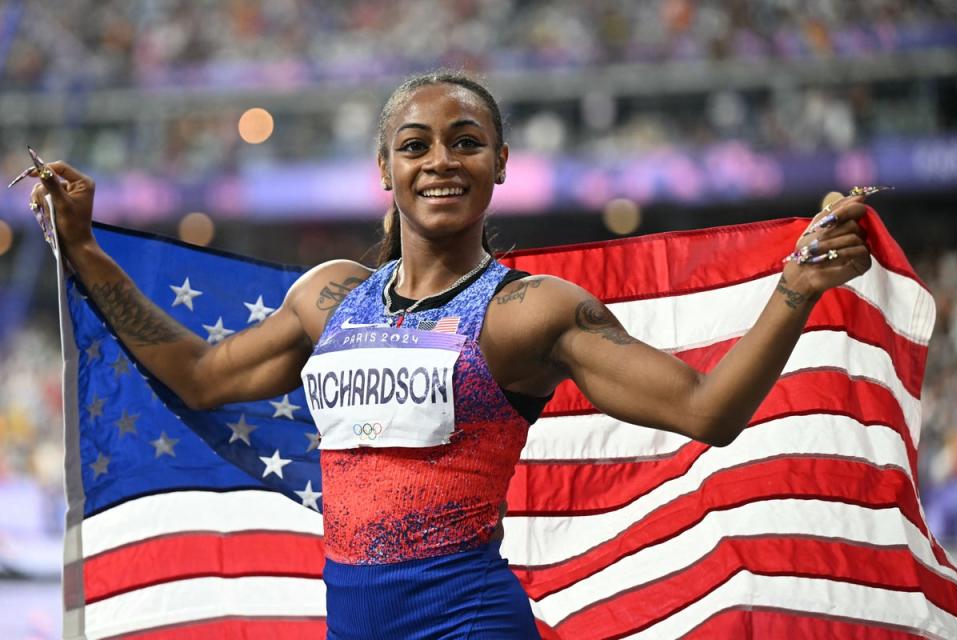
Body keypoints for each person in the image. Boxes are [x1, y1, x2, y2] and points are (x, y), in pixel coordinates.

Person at [26, 70, 871, 638]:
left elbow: (707, 411)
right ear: (385, 168)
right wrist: (87, 250)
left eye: (466, 141)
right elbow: (203, 378)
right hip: (350, 620)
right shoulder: (329, 299)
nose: (441, 160)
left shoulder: (526, 312)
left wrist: (796, 288)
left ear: (500, 162)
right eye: (416, 144)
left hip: (466, 619)